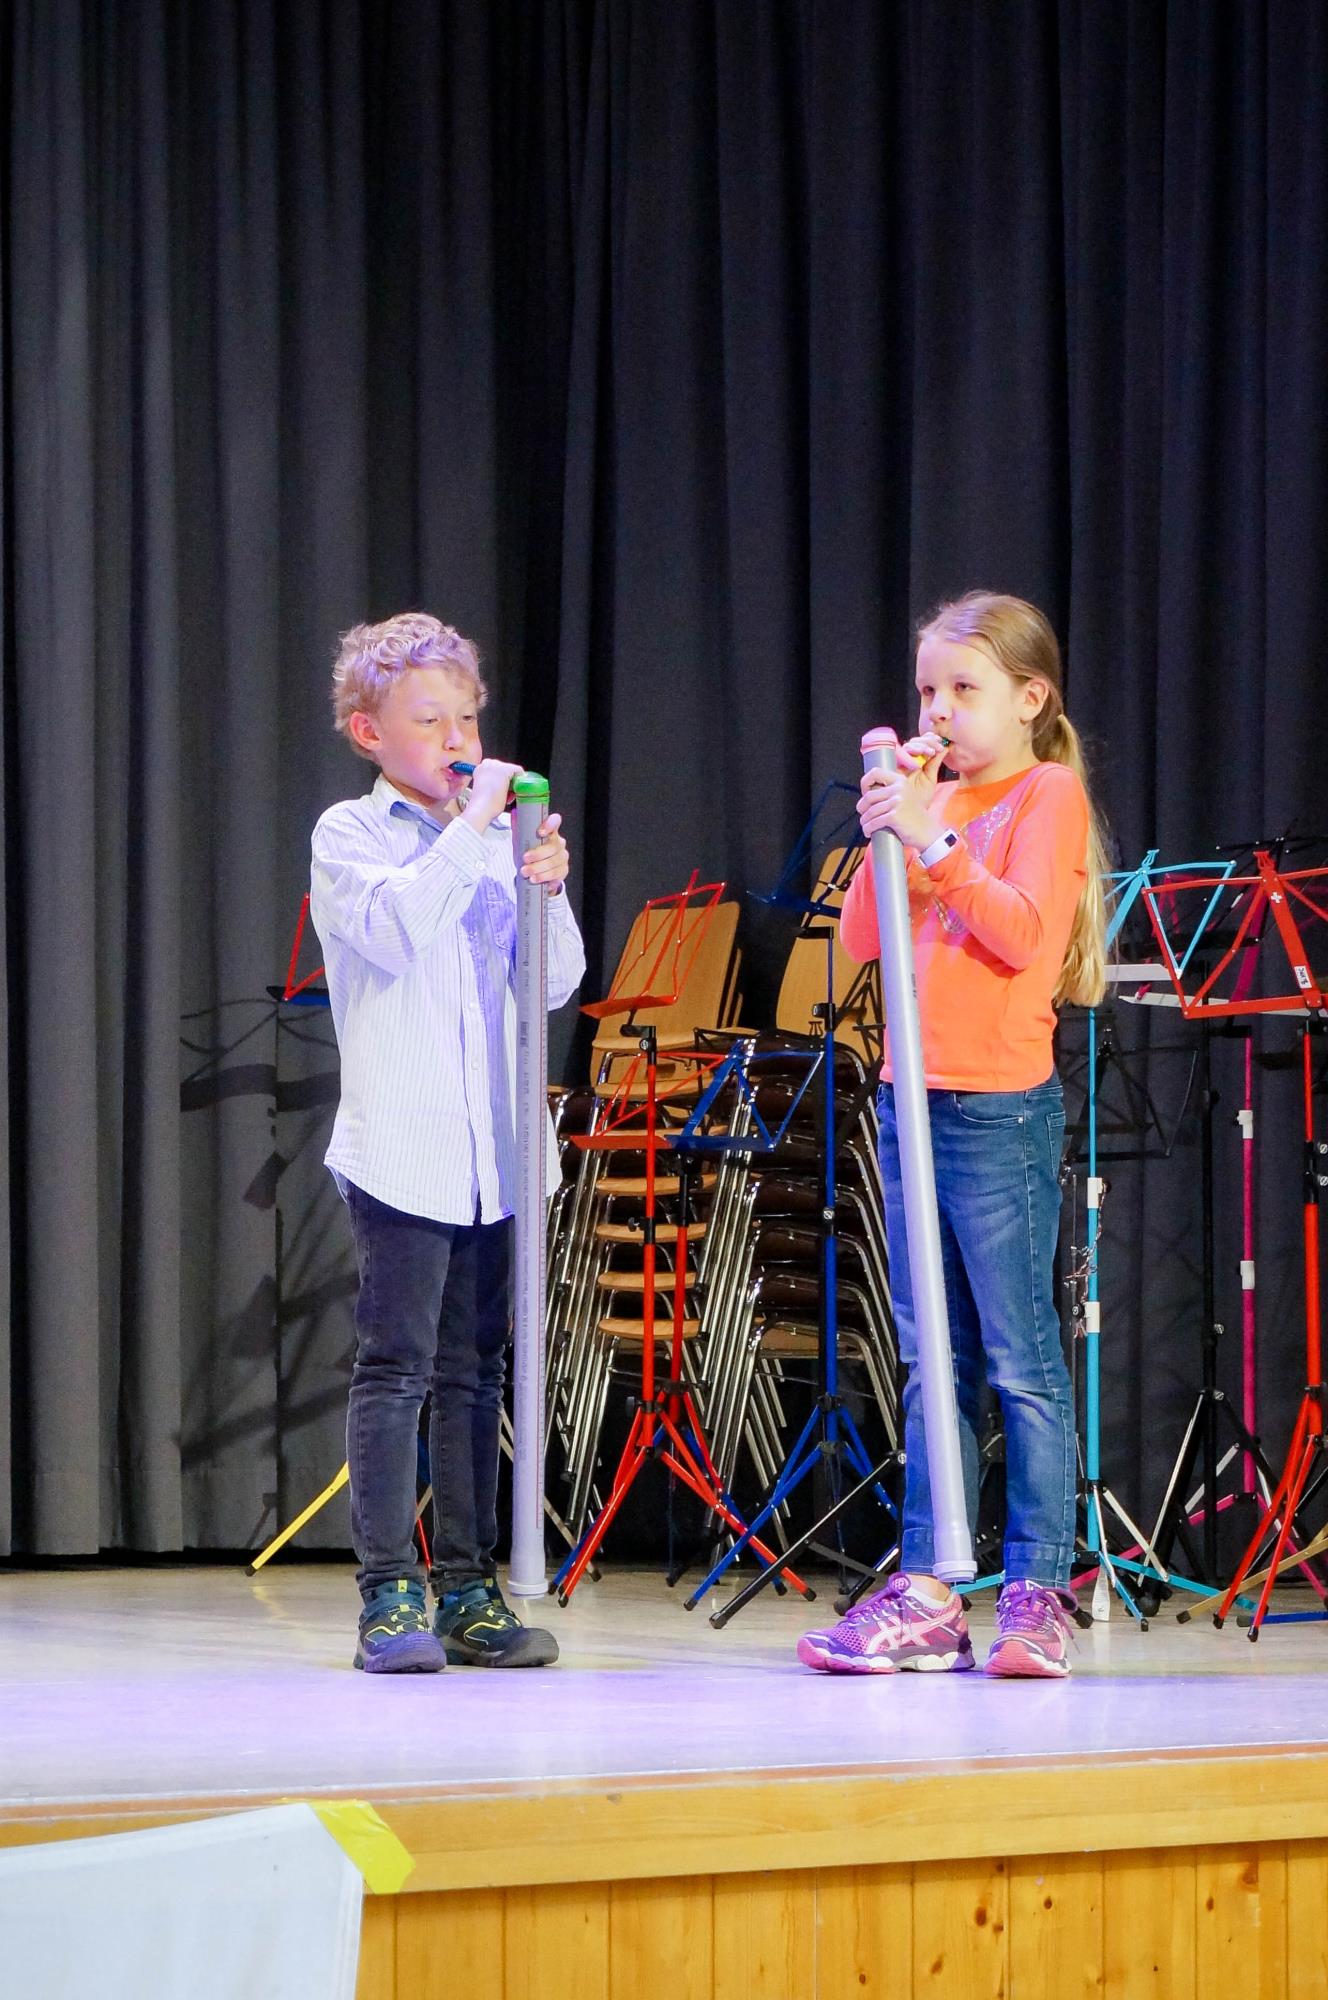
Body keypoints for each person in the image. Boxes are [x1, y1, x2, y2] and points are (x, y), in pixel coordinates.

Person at [798, 591, 1107, 1679]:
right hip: (908, 1099)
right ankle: (930, 1588)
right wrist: (890, 831)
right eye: (928, 687)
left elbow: (1022, 935)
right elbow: (860, 941)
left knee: (1020, 1356)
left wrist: (935, 838)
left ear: (1029, 699)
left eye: (963, 688)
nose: (938, 709)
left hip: (995, 1107)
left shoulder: (1044, 793)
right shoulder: (933, 801)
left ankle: (1035, 1588)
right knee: (935, 1353)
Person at [310, 612, 585, 1673]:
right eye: (429, 721)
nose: (457, 739)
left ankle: (469, 1587)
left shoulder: (494, 842)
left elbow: (552, 984)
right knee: (397, 1367)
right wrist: (475, 830)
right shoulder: (351, 835)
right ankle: (389, 1593)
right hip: (404, 1146)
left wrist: (544, 884)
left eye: (466, 718)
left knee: (475, 1373)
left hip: (496, 1153)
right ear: (369, 732)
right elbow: (394, 932)